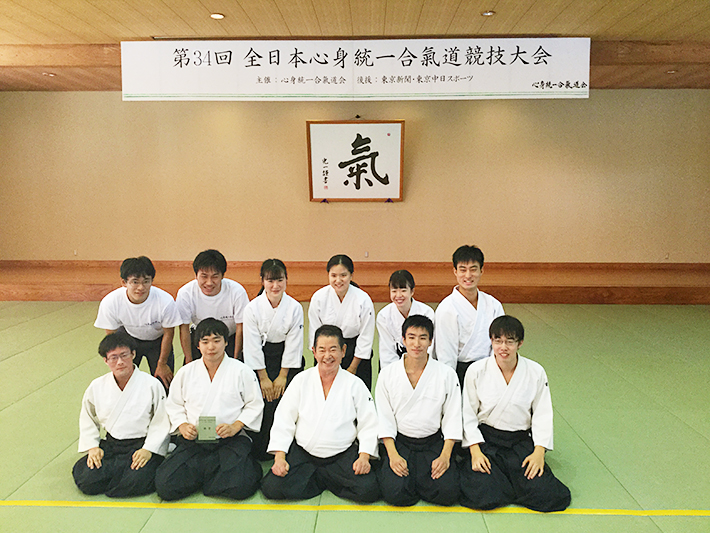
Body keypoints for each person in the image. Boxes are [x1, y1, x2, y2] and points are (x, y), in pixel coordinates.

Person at [460, 315, 571, 512]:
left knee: (549, 496)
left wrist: (539, 452)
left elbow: (542, 415)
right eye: (498, 341)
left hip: (519, 442)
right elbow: (467, 414)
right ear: (491, 341)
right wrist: (475, 451)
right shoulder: (476, 370)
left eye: (509, 342)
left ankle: (510, 483)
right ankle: (506, 483)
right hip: (487, 441)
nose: (503, 347)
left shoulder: (536, 372)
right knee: (483, 495)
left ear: (520, 343)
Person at [261, 325, 380, 503]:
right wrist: (279, 458)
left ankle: (318, 480)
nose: (327, 356)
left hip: (342, 456)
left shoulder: (355, 384)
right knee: (272, 487)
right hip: (304, 456)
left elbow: (369, 423)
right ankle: (326, 481)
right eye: (322, 350)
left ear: (343, 351)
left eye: (333, 349)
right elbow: (284, 420)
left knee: (369, 489)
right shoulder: (301, 381)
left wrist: (364, 457)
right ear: (314, 352)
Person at [154, 318, 264, 501]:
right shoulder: (185, 372)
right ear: (198, 345)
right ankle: (212, 476)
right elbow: (174, 404)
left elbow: (254, 404)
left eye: (216, 340)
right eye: (205, 341)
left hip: (229, 440)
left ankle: (205, 476)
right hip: (195, 441)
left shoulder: (242, 371)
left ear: (226, 342)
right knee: (165, 485)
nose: (211, 346)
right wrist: (182, 425)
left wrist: (236, 426)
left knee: (242, 486)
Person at [376, 315, 461, 506]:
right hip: (401, 443)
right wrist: (393, 455)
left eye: (423, 337)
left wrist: (445, 456)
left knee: (447, 493)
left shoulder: (446, 374)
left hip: (433, 444)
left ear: (431, 341)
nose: (417, 343)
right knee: (395, 494)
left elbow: (452, 417)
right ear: (403, 340)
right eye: (411, 337)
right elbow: (384, 418)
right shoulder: (388, 374)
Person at [72, 332, 170, 497]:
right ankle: (118, 473)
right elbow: (87, 418)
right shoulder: (97, 386)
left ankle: (126, 473)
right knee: (87, 480)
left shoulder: (152, 385)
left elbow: (161, 420)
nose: (120, 362)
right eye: (113, 357)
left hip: (140, 446)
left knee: (134, 482)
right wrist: (93, 447)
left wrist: (148, 449)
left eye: (124, 355)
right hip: (112, 447)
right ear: (105, 360)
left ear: (133, 354)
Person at [242, 259, 305, 460]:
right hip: (259, 361)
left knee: (287, 400)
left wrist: (282, 376)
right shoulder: (252, 308)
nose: (275, 286)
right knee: (262, 400)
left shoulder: (294, 307)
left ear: (287, 280)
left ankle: (288, 444)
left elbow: (295, 344)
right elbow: (251, 345)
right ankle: (260, 445)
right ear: (262, 281)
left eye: (279, 280)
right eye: (270, 280)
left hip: (286, 361)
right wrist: (263, 378)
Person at [94, 256, 183, 390]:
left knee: (164, 384)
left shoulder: (165, 301)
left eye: (146, 281)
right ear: (124, 282)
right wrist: (117, 363)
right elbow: (111, 338)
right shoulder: (111, 302)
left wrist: (163, 364)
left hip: (158, 341)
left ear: (152, 281)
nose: (141, 287)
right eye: (135, 282)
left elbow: (169, 334)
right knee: (124, 382)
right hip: (128, 339)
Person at [434, 245, 504, 386]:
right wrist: (449, 386)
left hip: (489, 370)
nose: (468, 275)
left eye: (473, 269)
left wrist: (496, 373)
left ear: (481, 270)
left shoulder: (493, 305)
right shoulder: (446, 308)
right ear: (455, 271)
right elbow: (446, 353)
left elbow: (500, 343)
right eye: (462, 270)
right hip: (460, 372)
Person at [308, 254, 375, 389]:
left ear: (351, 275)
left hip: (355, 354)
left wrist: (352, 367)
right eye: (333, 276)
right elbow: (315, 334)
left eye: (343, 275)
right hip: (327, 353)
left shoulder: (363, 299)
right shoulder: (319, 298)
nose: (338, 280)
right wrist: (324, 360)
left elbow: (366, 337)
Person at [175, 249, 249, 362]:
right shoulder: (185, 293)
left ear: (222, 276)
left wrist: (236, 358)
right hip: (201, 340)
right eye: (204, 276)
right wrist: (189, 359)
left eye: (215, 276)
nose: (209, 282)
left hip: (230, 339)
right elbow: (184, 328)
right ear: (196, 275)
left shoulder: (237, 292)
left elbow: (241, 327)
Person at [376, 270, 435, 370]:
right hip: (393, 364)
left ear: (412, 291)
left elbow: (430, 347)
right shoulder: (384, 316)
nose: (398, 295)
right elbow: (387, 352)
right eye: (394, 291)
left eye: (403, 290)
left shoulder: (426, 312)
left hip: (422, 362)